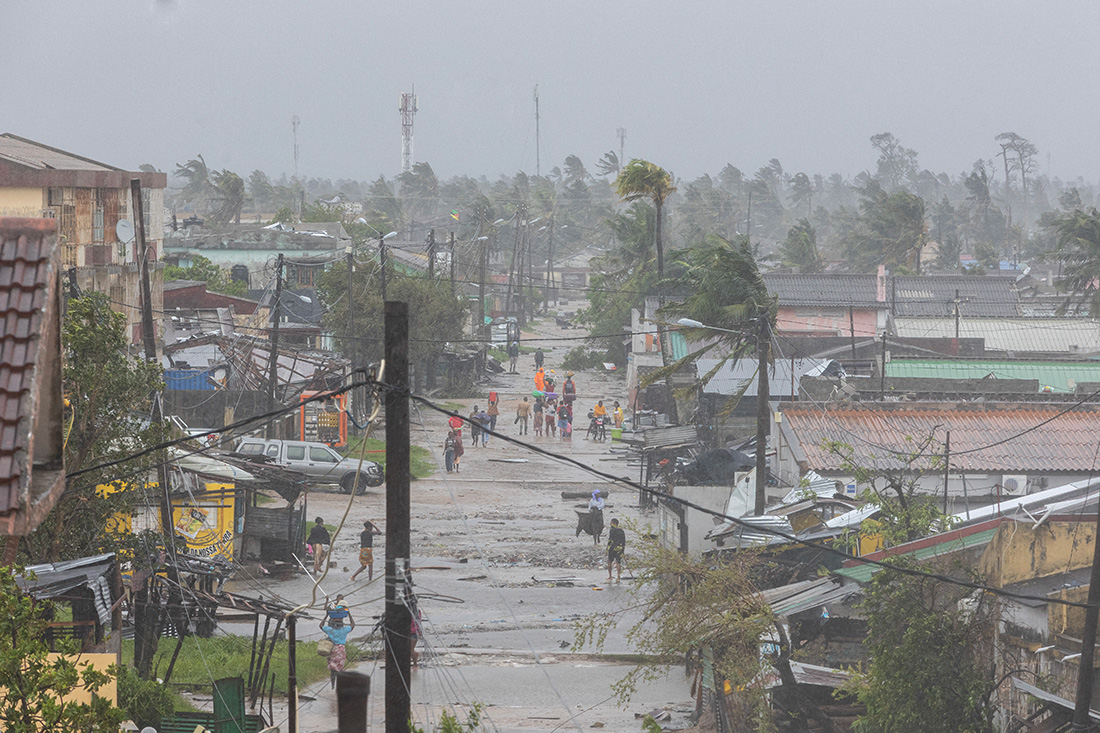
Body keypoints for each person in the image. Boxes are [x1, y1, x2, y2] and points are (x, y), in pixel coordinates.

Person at [320, 607, 355, 688]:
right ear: (342, 624)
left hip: (332, 650)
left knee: (333, 669)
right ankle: (340, 686)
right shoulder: (344, 630)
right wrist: (349, 614)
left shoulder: (330, 630)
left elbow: (321, 625)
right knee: (340, 668)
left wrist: (326, 615)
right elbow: (353, 624)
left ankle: (333, 685)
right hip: (341, 650)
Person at [607, 519, 626, 583]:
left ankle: (610, 576)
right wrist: (623, 549)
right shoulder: (621, 531)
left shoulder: (612, 530)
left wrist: (607, 548)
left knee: (609, 561)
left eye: (611, 523)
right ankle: (618, 577)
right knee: (618, 562)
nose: (610, 524)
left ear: (613, 523)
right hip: (620, 548)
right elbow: (624, 541)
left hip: (613, 548)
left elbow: (610, 539)